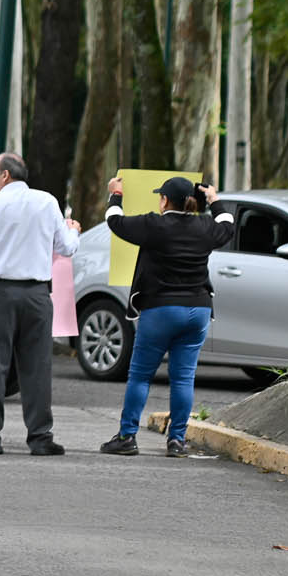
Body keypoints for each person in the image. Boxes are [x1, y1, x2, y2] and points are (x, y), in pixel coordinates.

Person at [100, 175, 233, 458]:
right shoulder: (205, 226)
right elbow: (228, 225)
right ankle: (177, 440)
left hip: (160, 310)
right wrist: (215, 200)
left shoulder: (154, 225)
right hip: (198, 310)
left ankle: (127, 437)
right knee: (183, 378)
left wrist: (116, 194)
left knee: (140, 376)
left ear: (164, 201)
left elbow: (115, 220)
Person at [0, 152, 80, 456]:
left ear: (5, 176)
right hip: (37, 293)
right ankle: (40, 435)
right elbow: (66, 247)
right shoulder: (48, 201)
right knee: (37, 366)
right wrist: (75, 230)